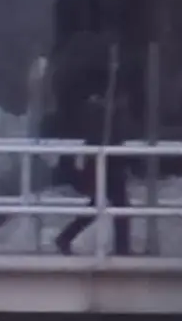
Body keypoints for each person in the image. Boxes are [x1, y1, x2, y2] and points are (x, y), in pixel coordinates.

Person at [55, 93, 133, 256]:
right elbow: (99, 137)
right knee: (118, 206)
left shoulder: (109, 113)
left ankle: (66, 237)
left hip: (111, 161)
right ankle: (122, 249)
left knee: (102, 205)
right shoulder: (99, 113)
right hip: (105, 163)